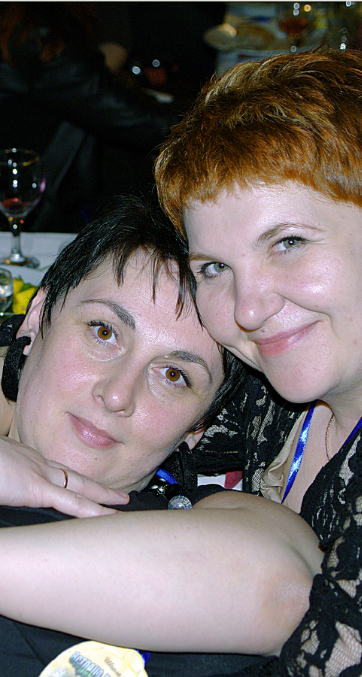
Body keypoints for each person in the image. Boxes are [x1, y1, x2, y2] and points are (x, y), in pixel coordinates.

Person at [0, 46, 362, 675]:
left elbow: (284, 589)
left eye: (288, 242)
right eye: (214, 267)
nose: (250, 307)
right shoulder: (276, 363)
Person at [0, 193, 254, 675]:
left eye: (174, 375)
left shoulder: (216, 544)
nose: (118, 394)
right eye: (104, 331)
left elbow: (294, 583)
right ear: (37, 317)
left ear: (198, 427)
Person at [0, 2, 179, 232]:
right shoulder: (37, 36)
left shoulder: (21, 22)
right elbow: (145, 123)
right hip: (33, 204)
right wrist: (215, 114)